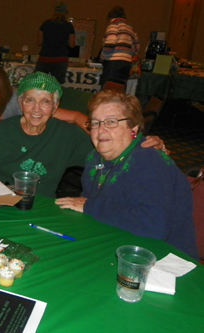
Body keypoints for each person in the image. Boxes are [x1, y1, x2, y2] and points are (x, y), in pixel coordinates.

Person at [55, 91, 198, 259]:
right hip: (115, 246)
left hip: (164, 262)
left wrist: (90, 207)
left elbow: (154, 226)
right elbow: (89, 210)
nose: (101, 130)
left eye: (111, 122)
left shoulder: (149, 159)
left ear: (133, 128)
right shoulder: (94, 158)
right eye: (95, 123)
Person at [0, 71, 93, 198]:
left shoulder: (67, 136)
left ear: (55, 106)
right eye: (30, 100)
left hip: (39, 210)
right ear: (20, 103)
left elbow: (105, 160)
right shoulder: (2, 130)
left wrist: (90, 200)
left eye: (45, 101)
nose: (36, 109)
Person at [34, 2, 75, 84]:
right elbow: (72, 44)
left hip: (45, 57)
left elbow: (39, 42)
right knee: (57, 85)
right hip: (60, 59)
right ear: (66, 13)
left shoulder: (45, 24)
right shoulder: (68, 26)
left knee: (38, 83)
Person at [99, 6, 139, 88]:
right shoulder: (130, 28)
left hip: (113, 62)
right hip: (126, 63)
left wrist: (102, 57)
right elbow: (136, 48)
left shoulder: (114, 24)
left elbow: (110, 43)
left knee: (107, 89)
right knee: (119, 89)